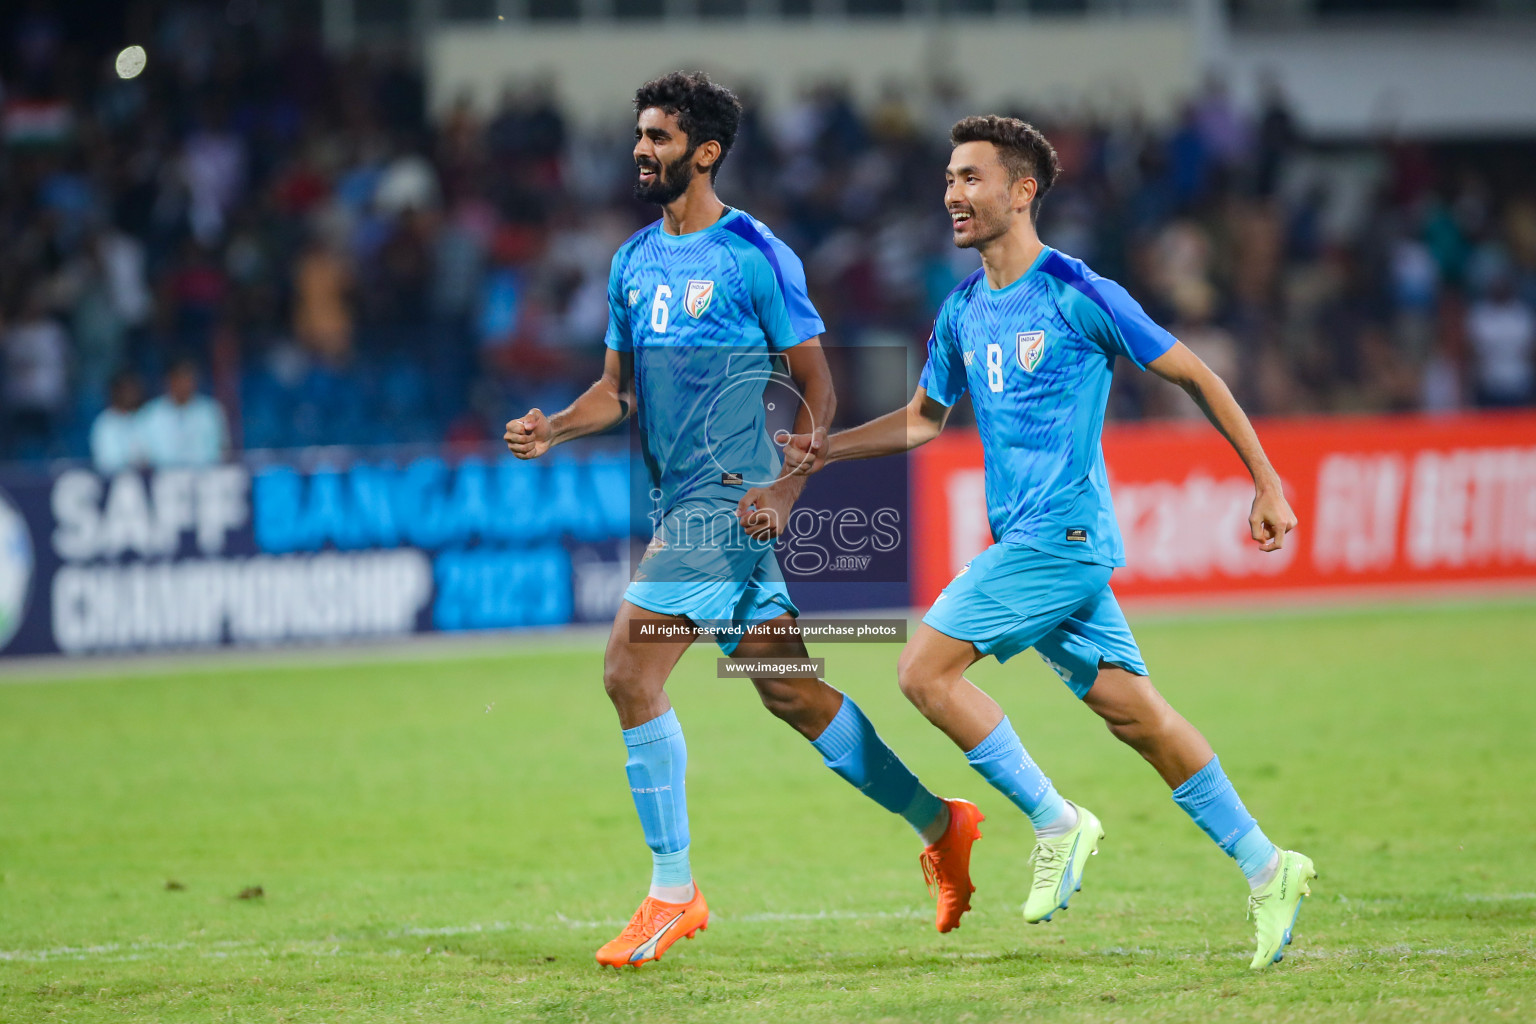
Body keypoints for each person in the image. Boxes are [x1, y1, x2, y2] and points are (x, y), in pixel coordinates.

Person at [785, 116, 1316, 970]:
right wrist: (827, 448)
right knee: (1136, 716)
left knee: (922, 669)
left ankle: (1057, 820)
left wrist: (1266, 480)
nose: (952, 195)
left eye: (970, 179)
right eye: (949, 179)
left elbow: (1195, 373)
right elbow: (926, 418)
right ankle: (1270, 866)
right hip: (1045, 545)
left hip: (1059, 540)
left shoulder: (1076, 290)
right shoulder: (961, 309)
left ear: (1021, 191)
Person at [505, 72, 981, 969]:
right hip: (685, 503)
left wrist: (785, 494)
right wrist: (555, 426)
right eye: (639, 133)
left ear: (705, 151)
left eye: (658, 136)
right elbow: (617, 392)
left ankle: (672, 893)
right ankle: (941, 821)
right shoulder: (633, 261)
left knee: (627, 669)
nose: (641, 149)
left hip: (727, 505)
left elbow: (819, 386)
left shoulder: (754, 254)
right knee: (790, 691)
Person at [138, 356, 230, 467]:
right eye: (179, 378)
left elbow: (223, 451)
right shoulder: (150, 413)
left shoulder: (210, 410)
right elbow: (142, 457)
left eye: (188, 378)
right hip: (163, 479)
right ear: (169, 380)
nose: (184, 384)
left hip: (205, 476)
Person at [90, 369, 147, 472]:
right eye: (127, 390)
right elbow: (108, 463)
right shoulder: (104, 423)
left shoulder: (143, 418)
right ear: (116, 392)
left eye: (133, 390)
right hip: (116, 481)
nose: (132, 394)